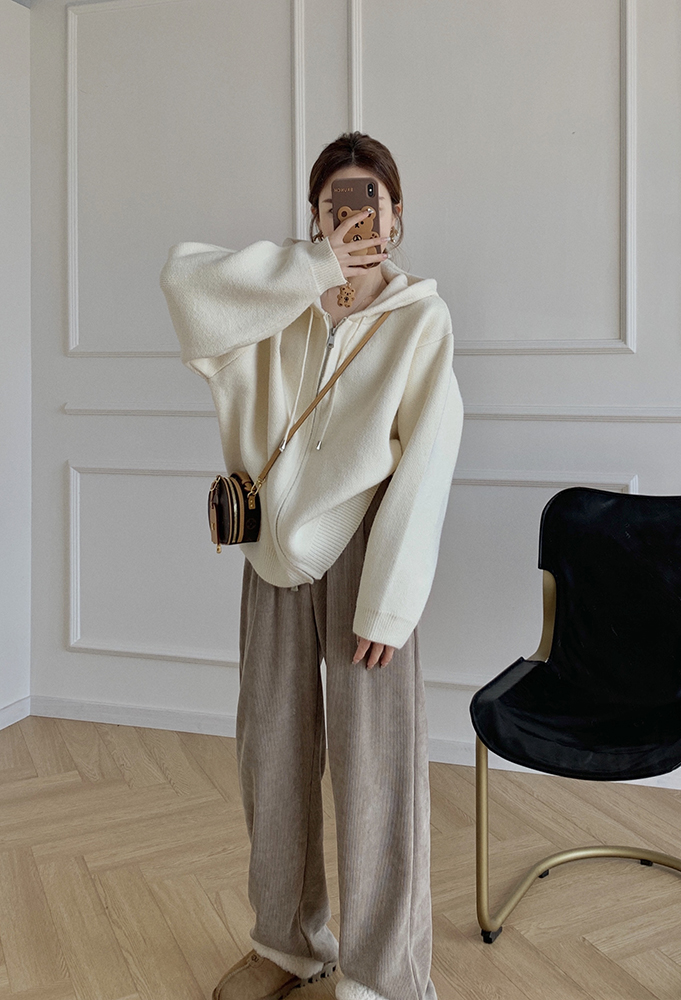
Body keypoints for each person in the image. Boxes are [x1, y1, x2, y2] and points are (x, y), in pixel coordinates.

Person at [159, 131, 464, 1000]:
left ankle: (382, 976)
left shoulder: (420, 319)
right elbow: (185, 286)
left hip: (370, 549)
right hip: (273, 554)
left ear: (396, 217)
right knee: (272, 754)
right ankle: (288, 943)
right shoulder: (280, 302)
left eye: (370, 202)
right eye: (336, 205)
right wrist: (308, 269)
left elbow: (429, 458)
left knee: (378, 769)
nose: (355, 218)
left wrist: (392, 603)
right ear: (317, 217)